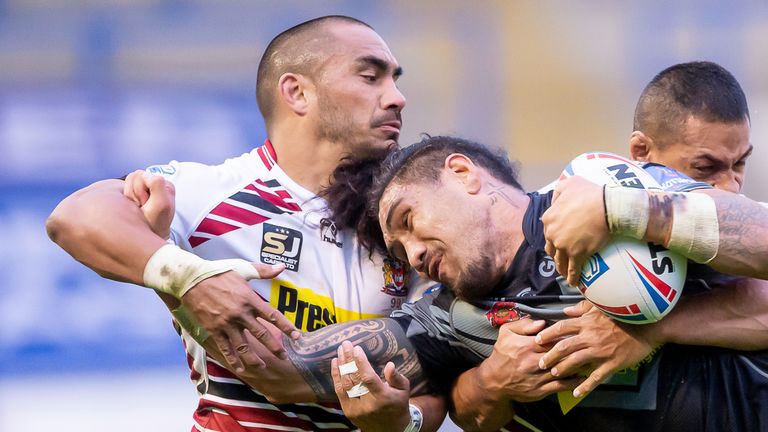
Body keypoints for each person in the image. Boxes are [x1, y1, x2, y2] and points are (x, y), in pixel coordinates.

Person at [168, 135, 768, 431]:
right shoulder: (448, 320)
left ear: (463, 174)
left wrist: (647, 328)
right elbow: (285, 368)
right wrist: (180, 277)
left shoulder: (600, 204)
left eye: (408, 221)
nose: (413, 253)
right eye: (398, 250)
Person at [46, 15, 445, 432]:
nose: (397, 97)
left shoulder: (407, 220)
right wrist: (190, 278)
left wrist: (405, 421)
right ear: (297, 92)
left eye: (395, 81)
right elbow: (73, 216)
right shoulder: (212, 192)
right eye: (370, 77)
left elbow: (436, 381)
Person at [449, 60, 766, 430]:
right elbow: (451, 403)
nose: (729, 186)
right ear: (641, 151)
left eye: (740, 164)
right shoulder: (536, 230)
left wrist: (650, 328)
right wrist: (490, 382)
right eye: (705, 167)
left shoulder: (732, 226)